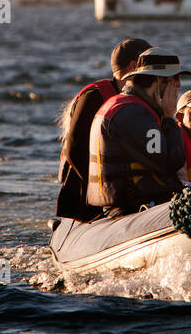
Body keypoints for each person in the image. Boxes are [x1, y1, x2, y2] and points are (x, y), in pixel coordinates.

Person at [85, 47, 191, 219]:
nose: (179, 84)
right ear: (158, 81)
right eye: (175, 78)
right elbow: (170, 162)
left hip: (132, 204)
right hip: (127, 209)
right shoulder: (133, 113)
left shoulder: (129, 106)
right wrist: (169, 117)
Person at [56, 38, 151, 220]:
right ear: (134, 66)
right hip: (89, 198)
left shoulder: (143, 100)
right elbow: (75, 149)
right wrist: (107, 192)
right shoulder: (94, 97)